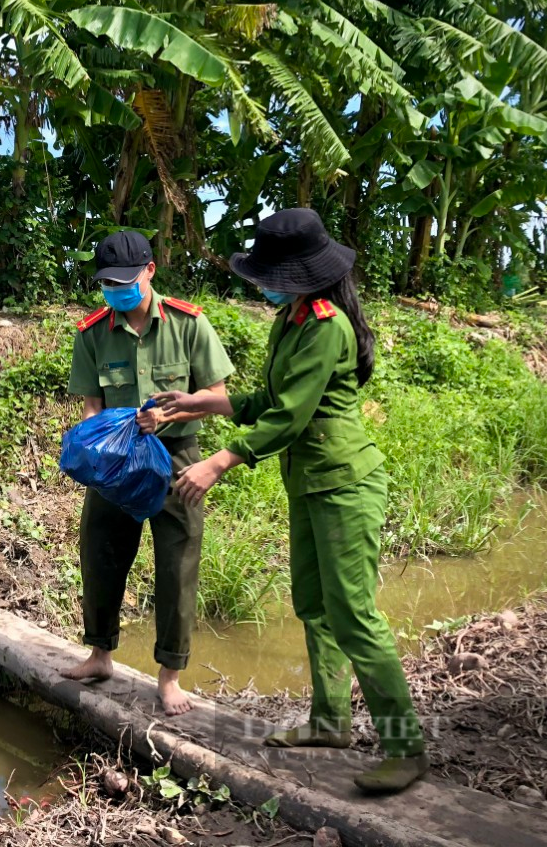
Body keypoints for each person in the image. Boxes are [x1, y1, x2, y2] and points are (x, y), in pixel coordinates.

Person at [154, 209, 428, 793]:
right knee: (313, 603)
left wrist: (219, 460)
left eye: (271, 275)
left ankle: (405, 747)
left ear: (301, 274)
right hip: (309, 483)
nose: (264, 284)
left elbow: (289, 416)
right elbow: (269, 397)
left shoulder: (326, 325)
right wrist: (200, 403)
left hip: (345, 484)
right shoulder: (295, 317)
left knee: (354, 615)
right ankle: (331, 722)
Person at [62, 230, 234, 716]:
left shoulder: (189, 324)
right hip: (117, 462)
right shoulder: (93, 332)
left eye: (125, 281)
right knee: (100, 552)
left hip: (177, 458)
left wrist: (169, 417)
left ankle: (170, 676)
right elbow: (93, 407)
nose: (116, 291)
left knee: (177, 565)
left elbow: (217, 396)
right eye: (107, 284)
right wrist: (93, 440)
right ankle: (99, 656)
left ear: (150, 271)